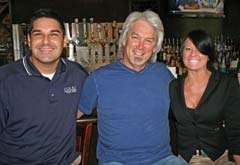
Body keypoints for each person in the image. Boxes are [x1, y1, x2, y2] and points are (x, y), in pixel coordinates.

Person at [77, 10, 187, 165]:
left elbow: (189, 104)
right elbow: (72, 114)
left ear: (155, 47)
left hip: (162, 160)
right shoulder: (98, 78)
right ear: (124, 39)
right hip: (116, 161)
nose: (140, 46)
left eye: (149, 40)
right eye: (135, 37)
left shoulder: (163, 74)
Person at [0, 8, 88, 164]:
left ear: (64, 41)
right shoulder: (5, 80)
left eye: (53, 34)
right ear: (28, 40)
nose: (46, 41)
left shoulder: (77, 75)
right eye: (38, 34)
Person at [169, 29, 240, 164]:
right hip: (187, 158)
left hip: (221, 156)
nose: (193, 54)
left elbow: (236, 129)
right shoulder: (173, 87)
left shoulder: (226, 85)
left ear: (209, 55)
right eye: (188, 49)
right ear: (182, 53)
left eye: (200, 49)